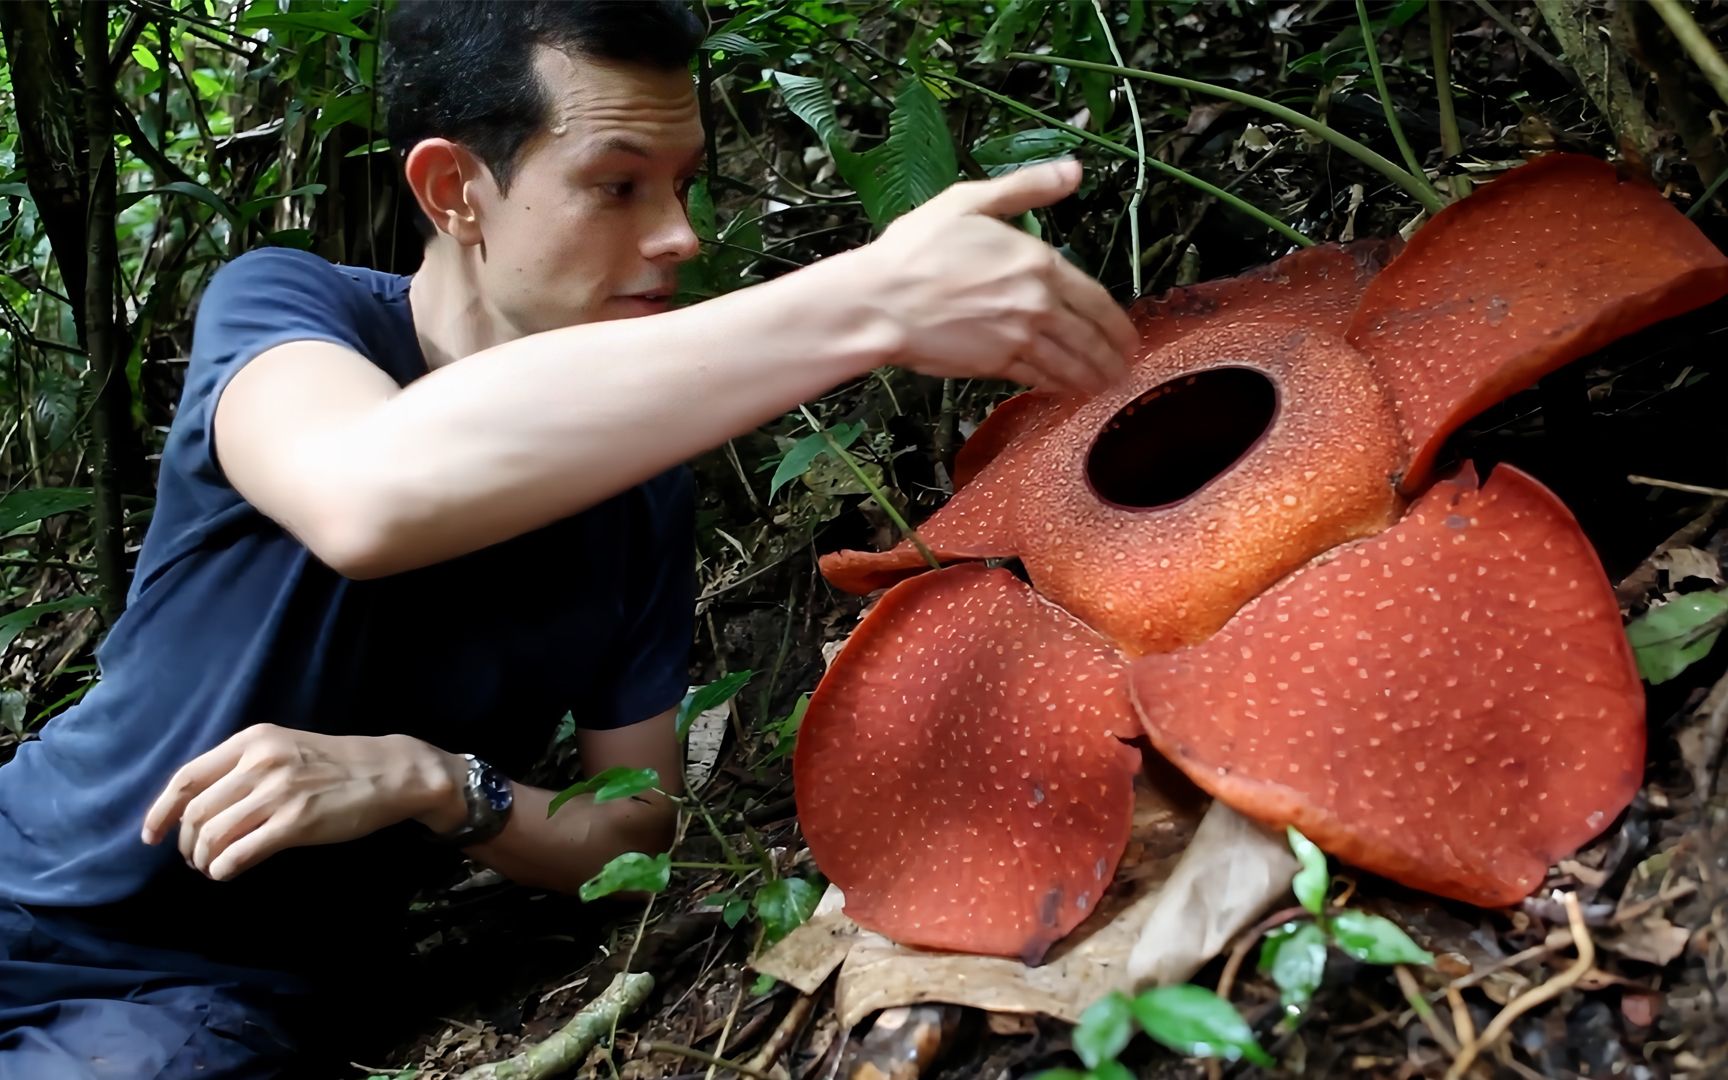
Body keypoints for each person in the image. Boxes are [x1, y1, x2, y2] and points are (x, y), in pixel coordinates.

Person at [0, 1, 1138, 1077]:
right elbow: (365, 493)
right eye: (617, 185)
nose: (680, 234)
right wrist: (871, 301)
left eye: (682, 184)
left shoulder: (637, 487)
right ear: (455, 190)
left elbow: (631, 826)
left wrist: (436, 784)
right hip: (24, 874)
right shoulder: (290, 311)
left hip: (202, 998)